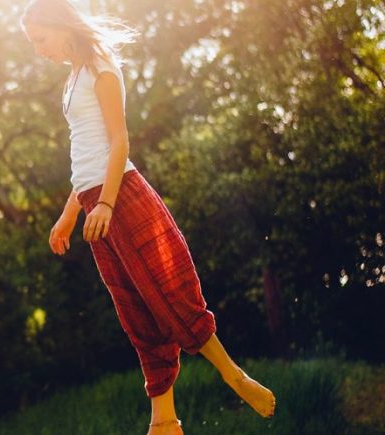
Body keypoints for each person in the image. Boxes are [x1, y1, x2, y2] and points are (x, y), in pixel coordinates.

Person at [19, 1, 276, 433]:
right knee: (134, 308)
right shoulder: (72, 78)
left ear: (60, 26)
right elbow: (85, 154)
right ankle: (164, 421)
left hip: (121, 195)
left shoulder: (101, 64)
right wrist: (70, 213)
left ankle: (233, 374)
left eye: (40, 39)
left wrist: (105, 204)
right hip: (92, 200)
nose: (38, 50)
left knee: (167, 291)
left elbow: (119, 142)